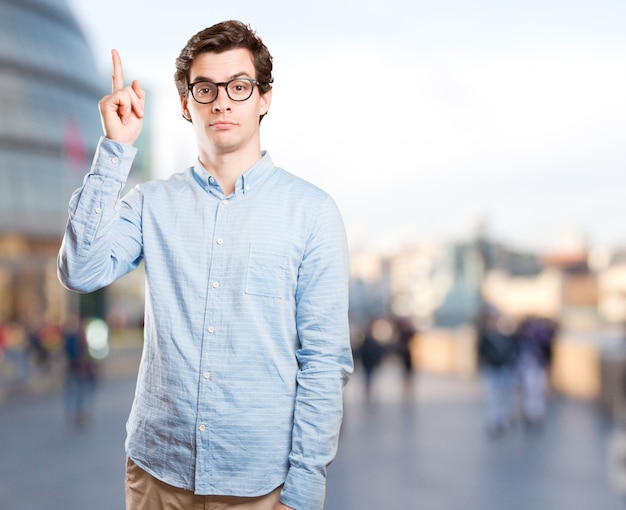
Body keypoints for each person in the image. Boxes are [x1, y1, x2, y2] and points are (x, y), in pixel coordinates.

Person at [57, 20, 353, 510]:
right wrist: (116, 149)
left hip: (261, 483)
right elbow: (81, 271)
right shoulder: (150, 203)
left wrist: (303, 490)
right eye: (205, 88)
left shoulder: (312, 213)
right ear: (184, 103)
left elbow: (324, 362)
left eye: (239, 87)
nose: (222, 102)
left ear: (264, 98)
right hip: (156, 473)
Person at [476, 306, 519, 437]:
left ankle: (501, 420)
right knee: (492, 396)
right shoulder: (485, 335)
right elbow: (480, 352)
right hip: (491, 368)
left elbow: (512, 350)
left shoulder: (505, 334)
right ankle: (493, 421)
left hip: (503, 368)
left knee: (503, 396)